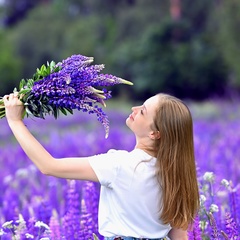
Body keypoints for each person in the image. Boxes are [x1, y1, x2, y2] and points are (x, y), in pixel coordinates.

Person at [3, 92, 200, 240]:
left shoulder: (118, 165)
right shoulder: (177, 176)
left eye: (142, 111)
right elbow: (179, 236)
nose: (134, 108)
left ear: (154, 134)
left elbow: (49, 166)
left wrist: (14, 121)